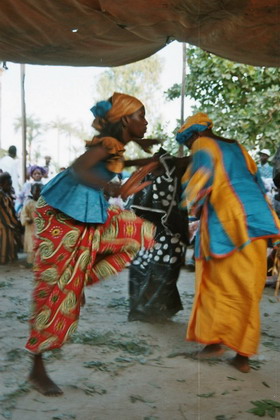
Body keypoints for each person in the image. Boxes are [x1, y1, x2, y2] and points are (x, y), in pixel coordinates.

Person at [25, 92, 159, 396]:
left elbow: (112, 162)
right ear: (126, 119)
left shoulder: (114, 146)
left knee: (139, 234)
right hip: (61, 216)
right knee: (53, 294)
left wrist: (143, 157)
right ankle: (36, 366)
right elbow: (79, 170)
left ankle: (77, 278)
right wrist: (111, 184)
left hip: (83, 214)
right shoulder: (105, 145)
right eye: (142, 116)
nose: (147, 122)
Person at [176, 112, 280, 374]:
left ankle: (215, 343)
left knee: (212, 283)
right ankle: (239, 354)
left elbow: (197, 184)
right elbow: (255, 181)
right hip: (256, 221)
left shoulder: (202, 144)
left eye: (188, 143)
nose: (190, 148)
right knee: (247, 288)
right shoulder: (238, 146)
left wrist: (190, 210)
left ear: (195, 135)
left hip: (226, 224)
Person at [127, 148, 190, 322]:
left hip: (169, 233)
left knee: (163, 270)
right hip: (154, 234)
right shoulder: (149, 180)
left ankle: (154, 309)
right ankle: (150, 309)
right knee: (147, 269)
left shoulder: (168, 179)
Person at [0, 172, 22, 264]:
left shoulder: (6, 194)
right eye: (7, 185)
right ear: (1, 184)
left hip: (8, 221)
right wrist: (14, 223)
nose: (9, 187)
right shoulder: (1, 196)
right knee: (5, 237)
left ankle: (9, 256)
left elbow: (10, 210)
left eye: (10, 185)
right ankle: (3, 259)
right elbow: (4, 212)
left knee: (9, 237)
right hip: (3, 223)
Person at [20, 183, 42, 266]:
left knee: (40, 244)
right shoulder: (28, 203)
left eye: (39, 191)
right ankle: (30, 262)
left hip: (41, 228)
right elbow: (23, 214)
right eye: (35, 191)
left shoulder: (43, 203)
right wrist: (26, 219)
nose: (37, 193)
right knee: (31, 244)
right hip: (31, 227)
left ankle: (40, 262)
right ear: (31, 192)